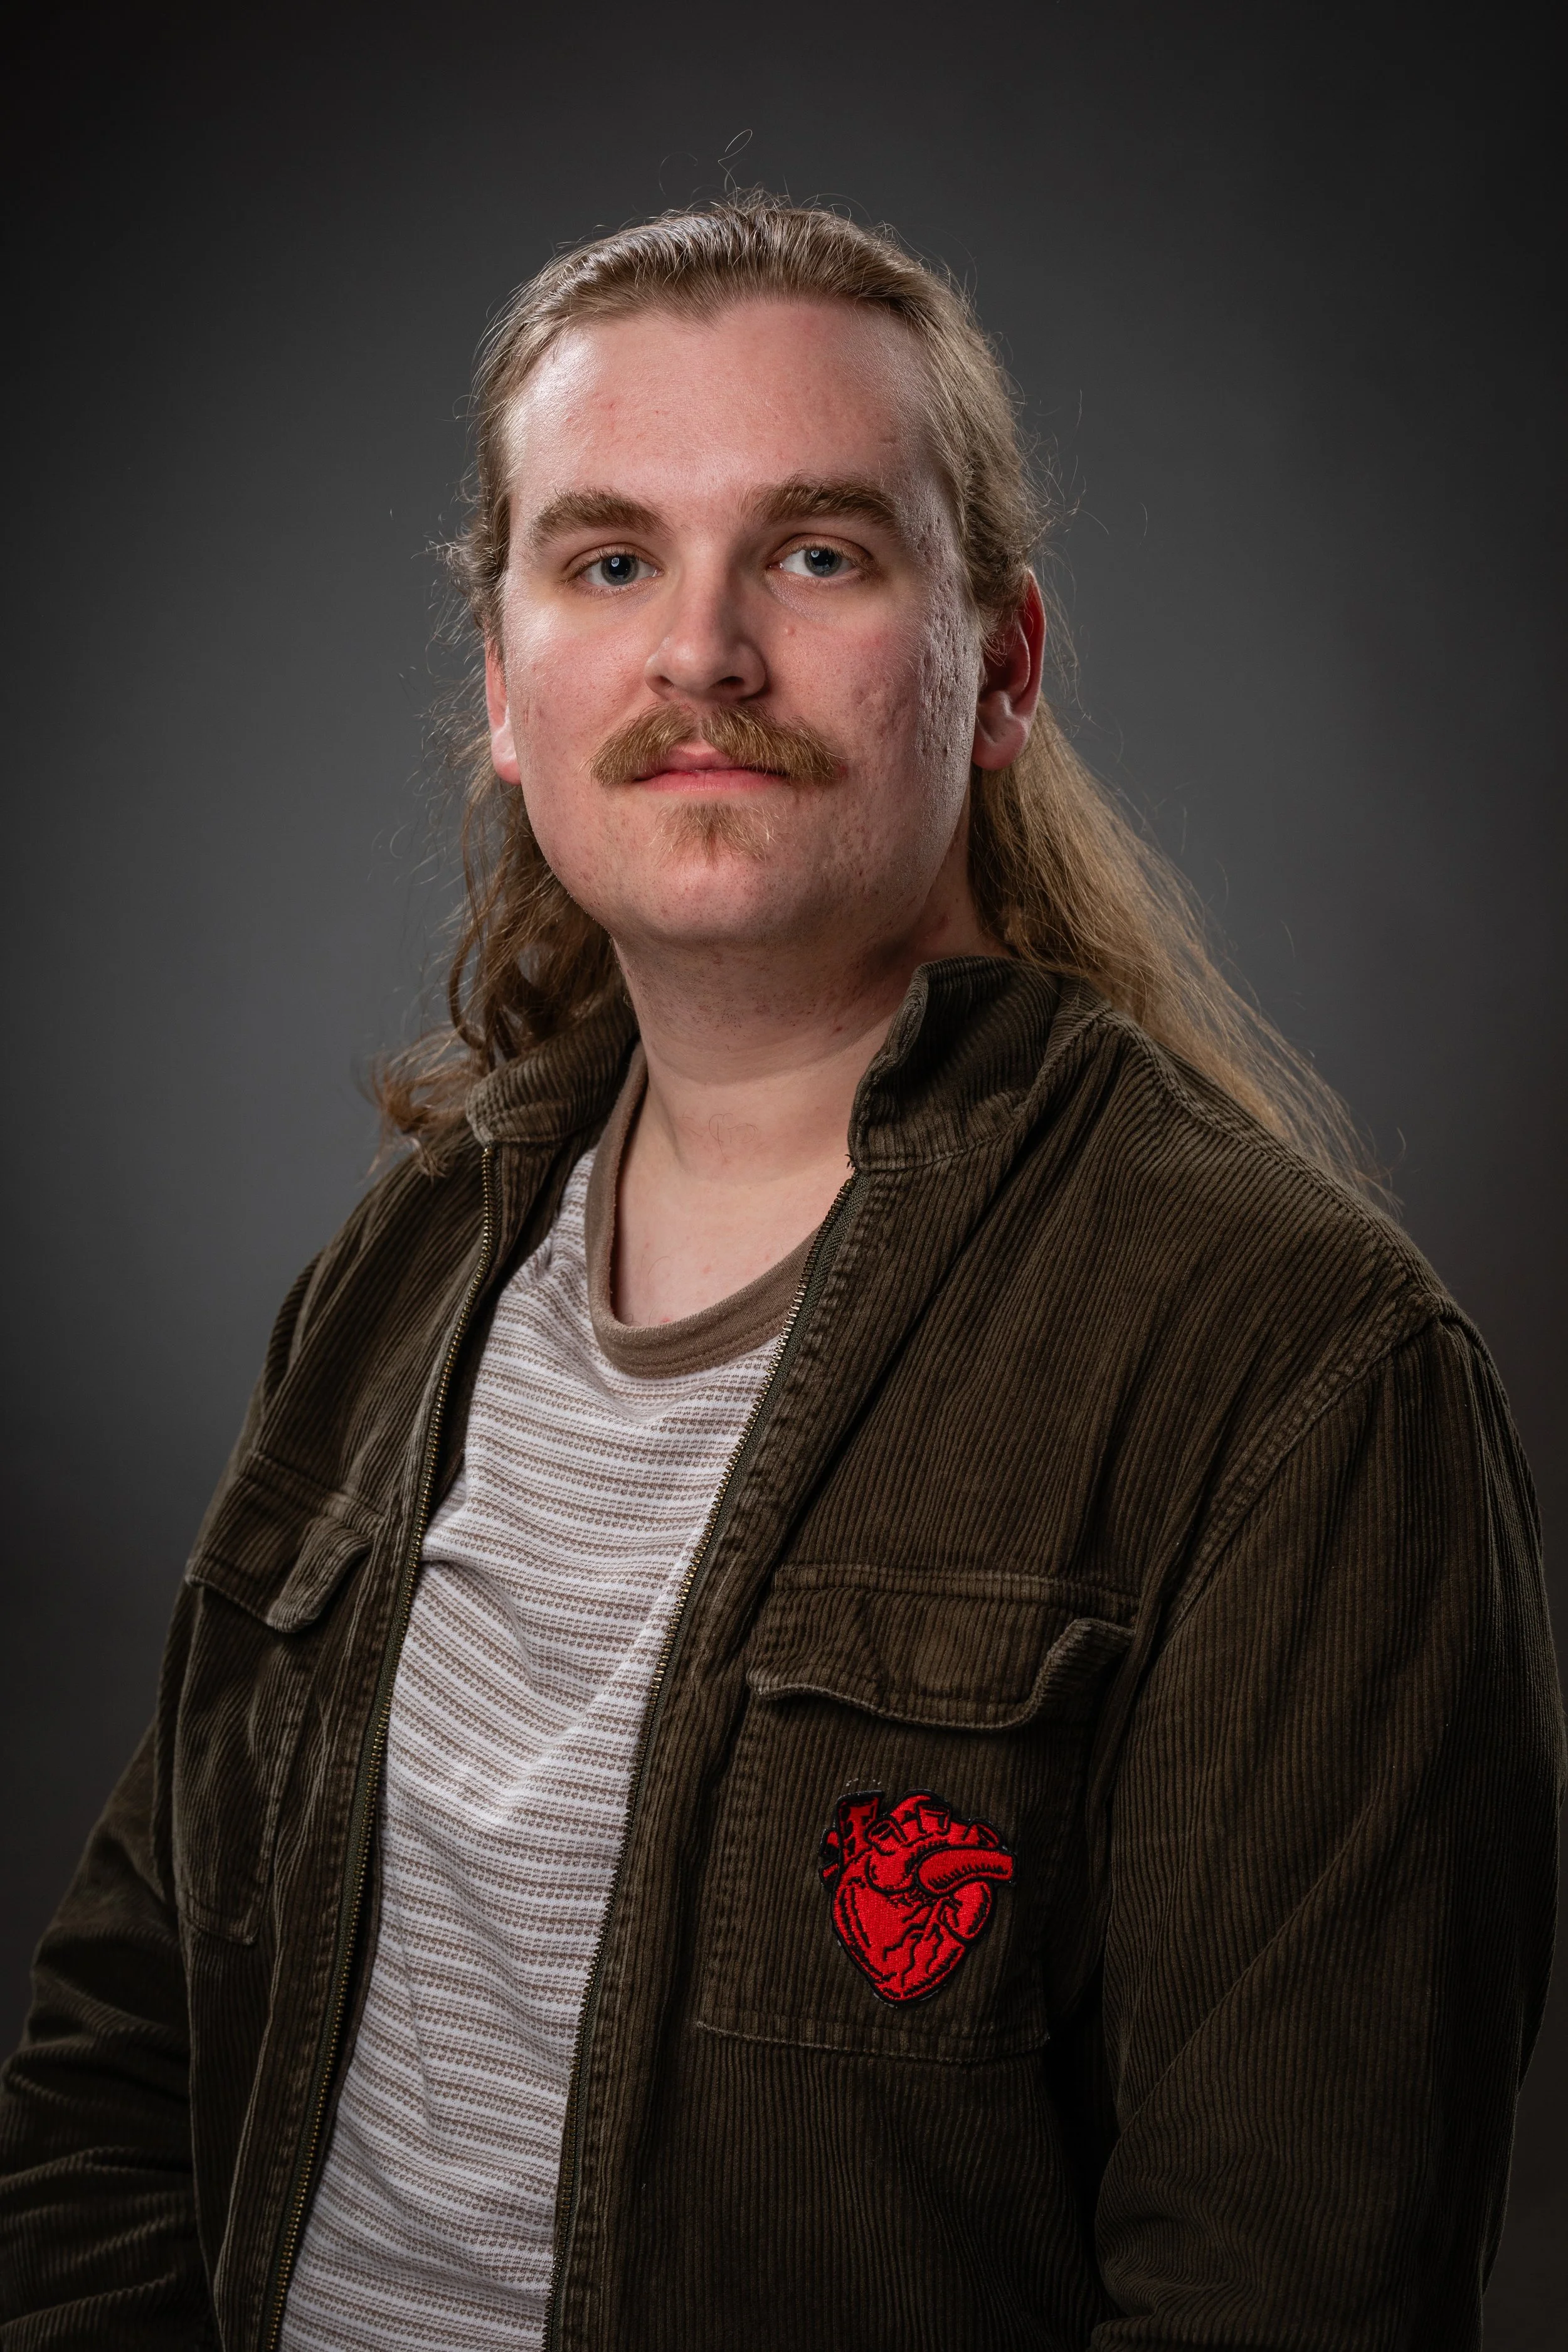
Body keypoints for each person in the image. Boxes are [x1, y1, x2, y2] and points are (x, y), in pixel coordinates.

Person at [0, 194, 1559, 2352]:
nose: (701, 653)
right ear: (503, 679)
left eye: (816, 553)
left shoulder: (1291, 1371)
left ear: (997, 665)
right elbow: (114, 2059)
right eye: (608, 557)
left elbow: (1287, 2295)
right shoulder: (401, 1272)